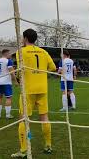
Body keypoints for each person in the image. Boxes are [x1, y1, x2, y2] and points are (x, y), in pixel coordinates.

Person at [11, 29, 56, 158]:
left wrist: (19, 79)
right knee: (44, 118)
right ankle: (48, 146)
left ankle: (24, 150)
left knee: (23, 119)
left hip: (28, 89)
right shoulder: (43, 51)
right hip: (42, 88)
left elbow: (20, 71)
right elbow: (52, 67)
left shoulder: (21, 52)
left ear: (25, 38)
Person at [0, 49, 18, 119]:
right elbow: (11, 72)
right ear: (6, 53)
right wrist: (15, 81)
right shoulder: (8, 61)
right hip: (6, 82)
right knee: (8, 98)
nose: (10, 55)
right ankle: (8, 115)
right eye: (9, 53)